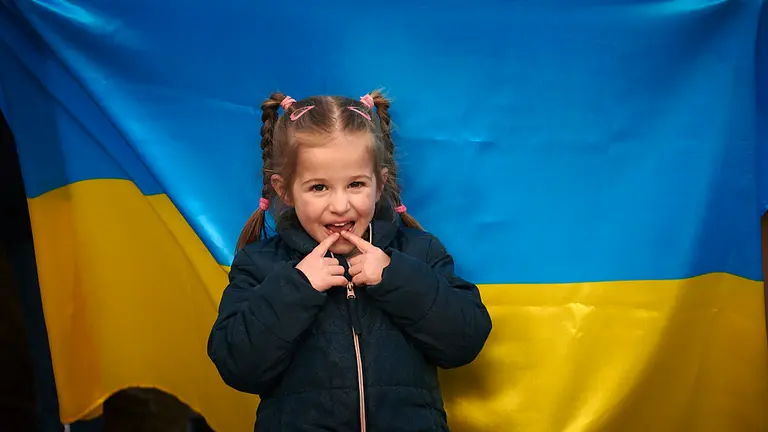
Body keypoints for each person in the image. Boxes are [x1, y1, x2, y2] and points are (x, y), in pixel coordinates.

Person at [207, 90, 492, 431]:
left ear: (380, 184)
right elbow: (237, 365)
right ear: (284, 190)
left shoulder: (419, 252)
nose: (340, 205)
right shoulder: (260, 265)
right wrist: (297, 287)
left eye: (356, 184)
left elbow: (465, 341)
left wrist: (396, 277)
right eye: (318, 188)